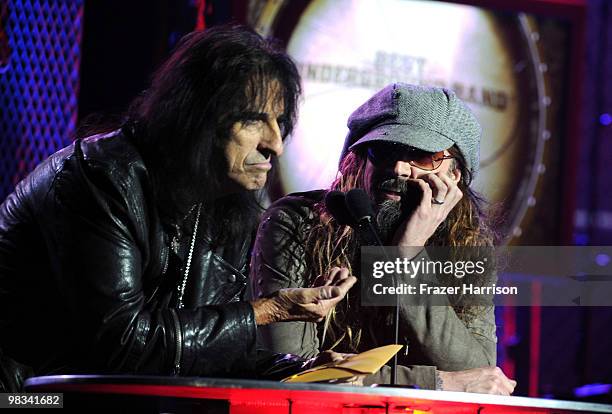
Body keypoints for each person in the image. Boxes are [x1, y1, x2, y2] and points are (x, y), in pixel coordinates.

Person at [0, 25, 356, 392]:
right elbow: (120, 345)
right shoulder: (101, 180)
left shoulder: (223, 202)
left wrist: (302, 373)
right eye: (253, 119)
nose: (275, 145)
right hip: (24, 397)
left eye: (279, 122)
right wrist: (267, 310)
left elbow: (209, 351)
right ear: (197, 115)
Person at [250, 83, 517, 395]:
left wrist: (408, 257)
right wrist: (437, 382)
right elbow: (290, 373)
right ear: (361, 156)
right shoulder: (297, 223)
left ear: (454, 174)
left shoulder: (468, 247)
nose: (398, 168)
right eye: (384, 151)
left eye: (422, 156)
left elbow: (478, 373)